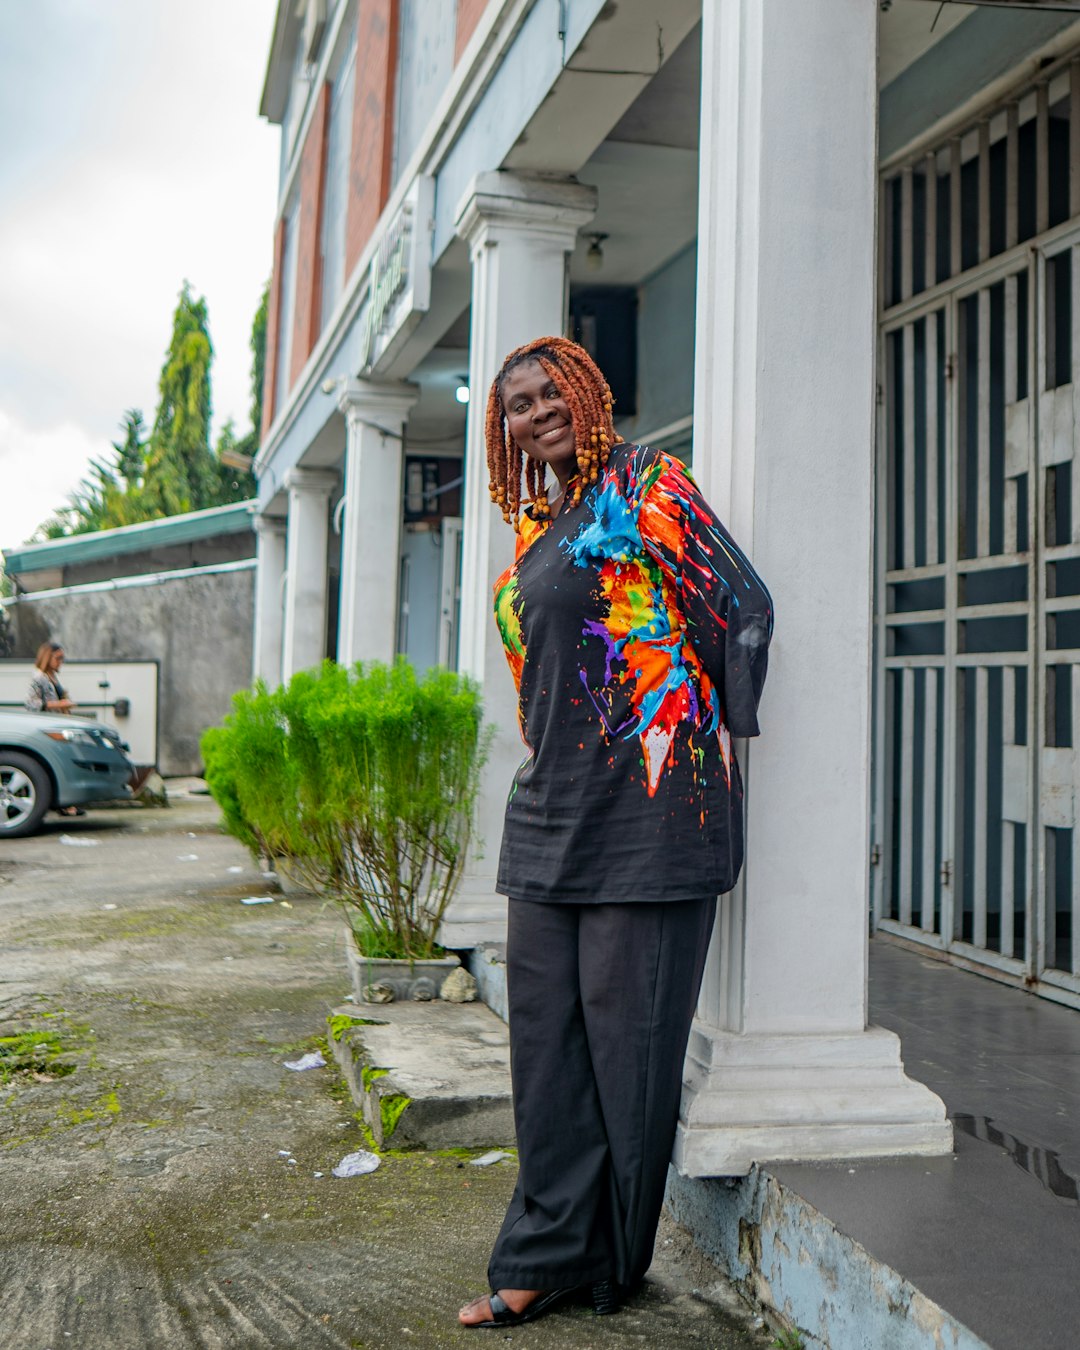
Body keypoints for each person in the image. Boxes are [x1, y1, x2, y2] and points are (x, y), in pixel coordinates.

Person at [458, 337, 773, 1330]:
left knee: (630, 1059)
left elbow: (745, 610)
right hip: (550, 819)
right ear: (502, 429)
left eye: (554, 391)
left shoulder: (650, 490)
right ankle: (545, 1255)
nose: (536, 410)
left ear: (591, 396)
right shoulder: (540, 528)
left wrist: (686, 735)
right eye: (516, 403)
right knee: (546, 1054)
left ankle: (613, 1264)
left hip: (650, 825)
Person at [25, 640, 84, 816]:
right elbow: (31, 704)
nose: (61, 662)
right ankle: (64, 805)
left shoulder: (52, 677)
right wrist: (61, 703)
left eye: (63, 658)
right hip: (47, 728)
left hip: (59, 726)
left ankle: (66, 803)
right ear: (47, 657)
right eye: (58, 658)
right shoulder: (39, 677)